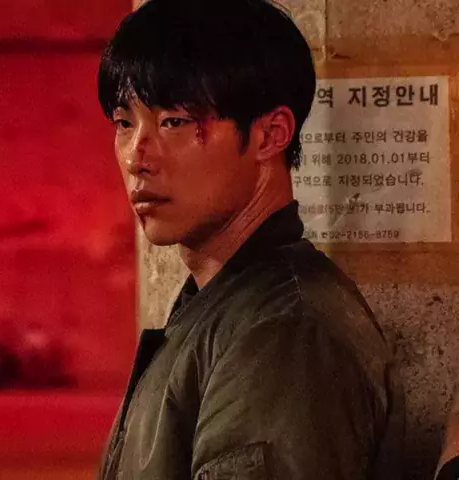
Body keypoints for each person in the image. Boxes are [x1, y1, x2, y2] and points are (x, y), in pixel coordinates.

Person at [97, 0, 404, 478]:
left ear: (269, 135)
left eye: (174, 121)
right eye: (124, 123)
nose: (138, 156)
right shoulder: (223, 301)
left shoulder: (284, 333)